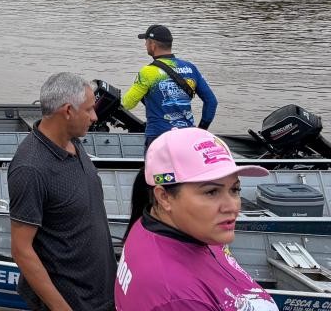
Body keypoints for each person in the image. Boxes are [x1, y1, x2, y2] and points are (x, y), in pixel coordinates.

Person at [115, 128, 275, 310]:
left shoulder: (170, 226)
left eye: (235, 190)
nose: (232, 206)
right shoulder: (178, 298)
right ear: (164, 197)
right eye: (211, 192)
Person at [8, 72, 116, 311]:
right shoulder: (30, 168)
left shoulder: (74, 142)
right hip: (72, 302)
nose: (94, 117)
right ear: (68, 111)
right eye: (89, 110)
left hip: (102, 294)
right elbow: (21, 249)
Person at [122, 24, 219, 236]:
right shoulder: (190, 68)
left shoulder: (148, 72)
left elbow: (127, 103)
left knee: (155, 186)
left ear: (153, 44)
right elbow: (211, 102)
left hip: (159, 139)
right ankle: (185, 226)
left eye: (146, 42)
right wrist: (201, 130)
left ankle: (154, 230)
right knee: (183, 183)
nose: (145, 45)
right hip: (186, 139)